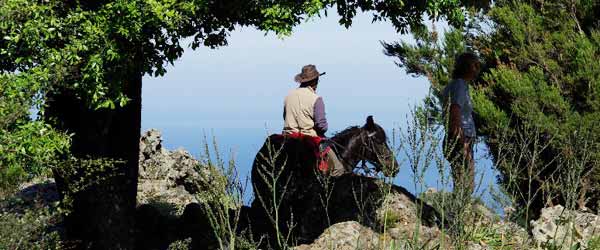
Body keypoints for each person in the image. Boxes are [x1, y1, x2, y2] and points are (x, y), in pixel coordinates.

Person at [283, 64, 345, 176]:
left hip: (288, 137)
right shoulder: (316, 99)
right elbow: (321, 126)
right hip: (309, 138)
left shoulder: (289, 95)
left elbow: (285, 116)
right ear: (315, 81)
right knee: (339, 169)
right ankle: (327, 192)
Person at [442, 52, 481, 195]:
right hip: (461, 137)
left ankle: (459, 210)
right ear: (466, 67)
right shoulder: (459, 85)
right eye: (474, 65)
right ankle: (460, 212)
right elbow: (454, 110)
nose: (477, 68)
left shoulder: (457, 85)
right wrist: (461, 139)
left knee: (462, 179)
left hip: (460, 137)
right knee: (465, 181)